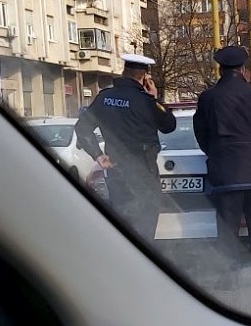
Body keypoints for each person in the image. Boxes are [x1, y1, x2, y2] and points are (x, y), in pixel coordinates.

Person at [75, 54, 176, 241]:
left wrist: (98, 155)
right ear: (144, 77)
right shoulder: (146, 101)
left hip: (116, 168)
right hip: (143, 168)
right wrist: (155, 99)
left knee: (122, 220)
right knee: (145, 222)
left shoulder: (104, 98)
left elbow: (82, 128)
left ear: (124, 72)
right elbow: (169, 125)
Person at [193, 46, 251, 265]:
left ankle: (229, 279)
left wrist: (217, 153)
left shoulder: (209, 98)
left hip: (226, 173)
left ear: (220, 70)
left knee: (227, 230)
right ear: (243, 70)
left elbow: (201, 133)